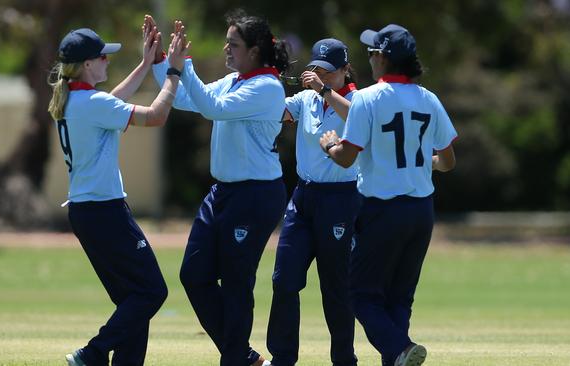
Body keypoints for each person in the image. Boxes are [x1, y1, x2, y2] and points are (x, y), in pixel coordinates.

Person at [144, 9, 289, 366]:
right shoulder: (235, 79)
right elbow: (187, 99)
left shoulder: (267, 87)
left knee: (237, 281)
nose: (227, 50)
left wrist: (184, 65)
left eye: (233, 45)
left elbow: (213, 109)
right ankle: (241, 355)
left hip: (255, 195)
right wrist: (160, 61)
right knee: (193, 275)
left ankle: (235, 359)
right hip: (223, 193)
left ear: (255, 51)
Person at [47, 23, 188, 366]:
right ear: (86, 65)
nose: (108, 62)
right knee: (152, 292)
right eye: (102, 57)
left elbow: (110, 102)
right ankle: (93, 352)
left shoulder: (74, 100)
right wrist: (173, 72)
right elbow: (155, 117)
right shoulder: (90, 103)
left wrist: (144, 65)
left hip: (88, 211)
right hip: (104, 212)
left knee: (133, 298)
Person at [319, 24, 457, 366]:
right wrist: (425, 165)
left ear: (382, 58)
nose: (369, 59)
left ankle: (399, 349)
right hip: (421, 211)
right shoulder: (429, 98)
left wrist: (329, 146)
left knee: (361, 295)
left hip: (381, 209)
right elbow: (448, 161)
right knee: (400, 298)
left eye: (371, 53)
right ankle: (397, 357)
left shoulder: (366, 98)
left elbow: (347, 157)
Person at [266, 39, 362, 366]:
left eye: (328, 71)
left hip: (341, 199)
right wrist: (266, 79)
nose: (319, 75)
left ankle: (344, 359)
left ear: (345, 70)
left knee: (336, 287)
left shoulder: (357, 99)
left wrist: (325, 91)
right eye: (316, 69)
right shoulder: (306, 98)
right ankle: (282, 358)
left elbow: (360, 118)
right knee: (284, 280)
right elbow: (276, 112)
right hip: (303, 197)